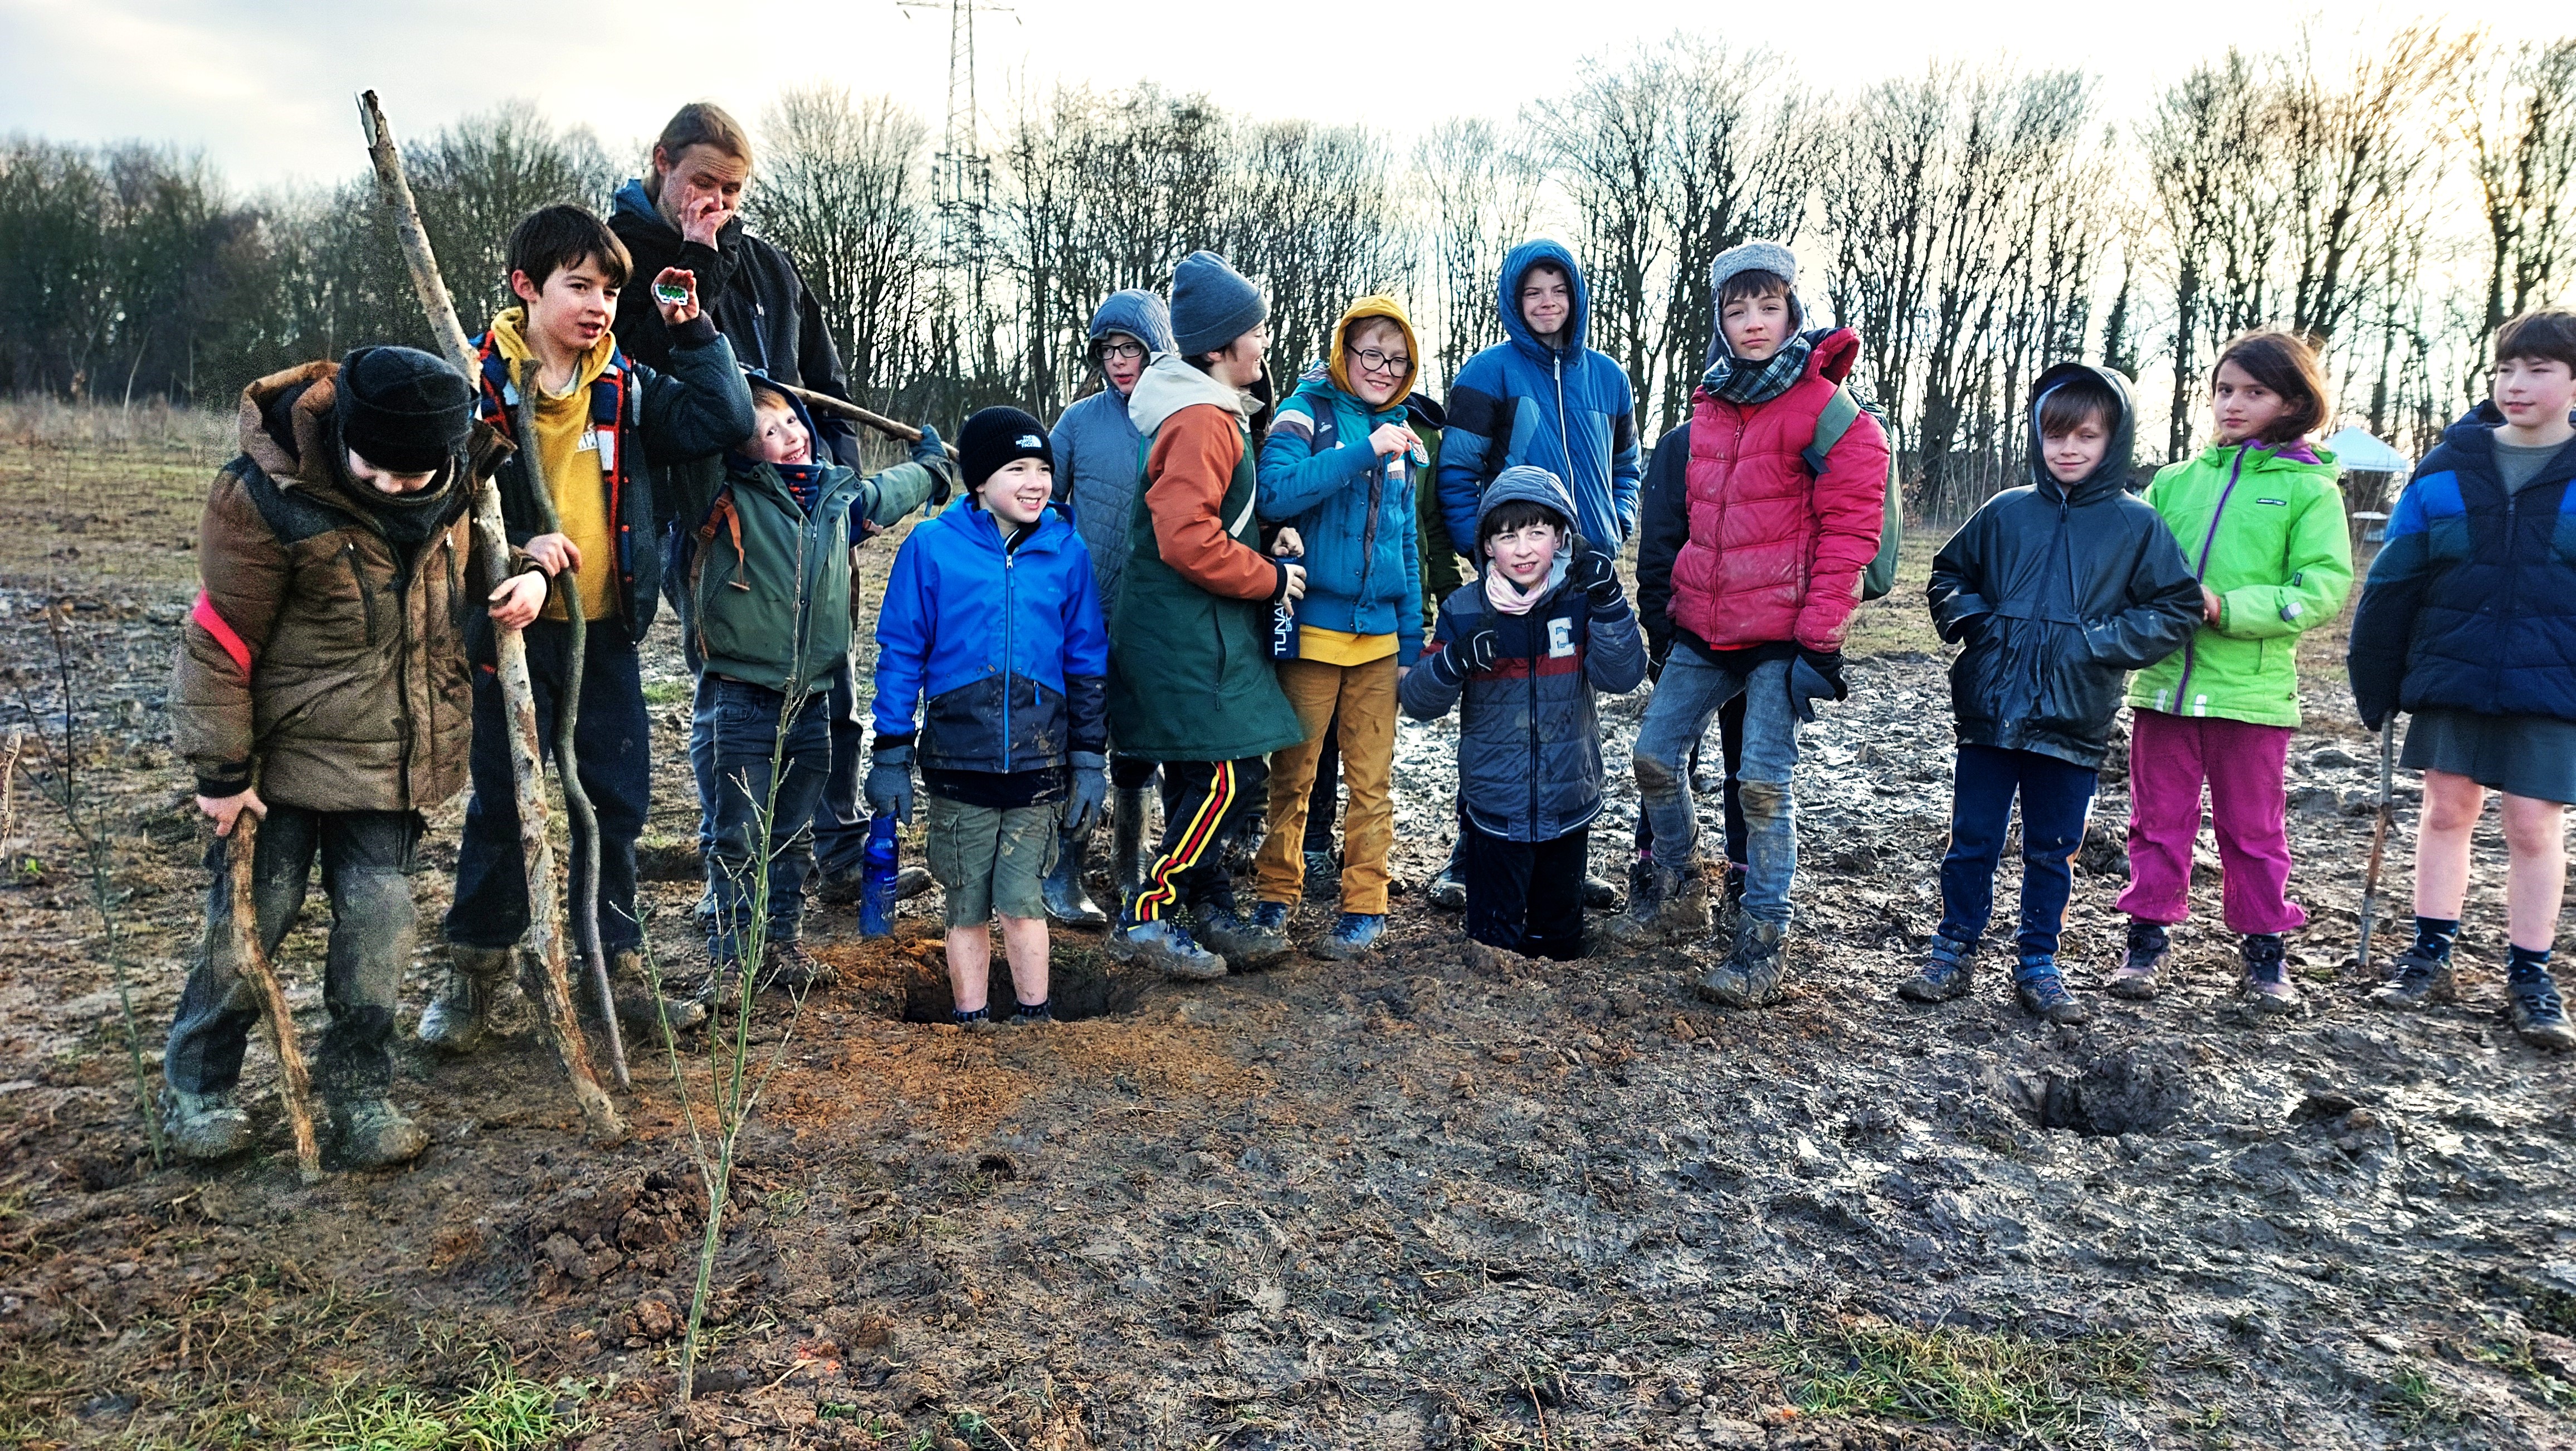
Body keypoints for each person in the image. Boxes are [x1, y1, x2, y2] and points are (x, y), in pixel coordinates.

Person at [165, 347, 547, 1165]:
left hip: (387, 763)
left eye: (419, 475)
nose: (400, 487)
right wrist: (222, 777)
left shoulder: (466, 488)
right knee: (249, 927)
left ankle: (361, 1096)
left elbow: (475, 600)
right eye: (380, 469)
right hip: (273, 770)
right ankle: (199, 1087)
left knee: (380, 934)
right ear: (343, 437)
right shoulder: (267, 498)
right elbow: (219, 641)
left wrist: (527, 581)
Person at [425, 204, 753, 1050]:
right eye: (579, 286)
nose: (599, 304)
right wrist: (504, 561)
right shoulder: (474, 386)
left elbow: (724, 421)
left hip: (601, 632)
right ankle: (473, 975)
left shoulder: (627, 385)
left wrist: (694, 330)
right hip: (509, 630)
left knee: (614, 801)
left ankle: (616, 966)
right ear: (525, 288)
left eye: (610, 288)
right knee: (505, 802)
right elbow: (434, 509)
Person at [604, 102, 892, 899]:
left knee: (830, 683)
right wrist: (697, 255)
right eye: (703, 182)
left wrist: (837, 481)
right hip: (710, 519)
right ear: (661, 162)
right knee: (739, 703)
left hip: (805, 514)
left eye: (733, 190)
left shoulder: (768, 266)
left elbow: (825, 387)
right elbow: (656, 372)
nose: (719, 203)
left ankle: (834, 851)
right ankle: (738, 878)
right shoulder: (618, 263)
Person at [1614, 241, 1889, 1007]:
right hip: (1707, 625)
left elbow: (1850, 535)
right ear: (1720, 322)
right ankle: (1681, 883)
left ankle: (1762, 940)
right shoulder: (1710, 403)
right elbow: (1696, 522)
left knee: (1763, 785)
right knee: (1654, 758)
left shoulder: (1831, 413)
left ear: (1793, 311)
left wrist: (1821, 639)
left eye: (1768, 307)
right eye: (1738, 310)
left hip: (1782, 635)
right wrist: (1672, 610)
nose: (1753, 323)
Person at [1904, 366, 2202, 1022]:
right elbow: (1950, 574)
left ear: (2112, 440)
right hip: (1988, 712)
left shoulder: (2136, 526)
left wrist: (2096, 645)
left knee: (2052, 848)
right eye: (2054, 435)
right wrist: (1977, 626)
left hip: (2073, 716)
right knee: (1972, 837)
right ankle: (1952, 947)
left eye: (2086, 436)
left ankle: (2038, 960)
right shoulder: (2006, 511)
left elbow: (2176, 607)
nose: (2068, 450)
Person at [675, 382, 953, 1007]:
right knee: (739, 830)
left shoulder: (835, 496)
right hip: (745, 694)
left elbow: (890, 490)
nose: (791, 436)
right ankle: (733, 956)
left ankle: (781, 942)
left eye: (792, 424)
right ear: (744, 454)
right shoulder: (722, 497)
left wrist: (934, 469)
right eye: (769, 434)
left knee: (793, 829)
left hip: (815, 696)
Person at [2350, 307, 2576, 1049]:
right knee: (2446, 810)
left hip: (2554, 684)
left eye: (2539, 370)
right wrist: (2375, 676)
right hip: (2452, 672)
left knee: (2533, 823)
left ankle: (2531, 975)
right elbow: (2394, 581)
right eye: (2507, 368)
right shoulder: (2446, 468)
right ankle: (2430, 954)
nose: (2517, 384)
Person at [2116, 330, 2351, 1011]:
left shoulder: (2310, 490)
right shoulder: (2174, 482)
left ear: (2293, 401)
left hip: (2251, 694)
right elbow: (2133, 565)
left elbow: (2320, 587)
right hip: (2163, 686)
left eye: (2254, 391)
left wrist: (2228, 607)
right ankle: (2145, 942)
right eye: (2224, 390)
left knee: (2252, 829)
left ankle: (2265, 951)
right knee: (2157, 820)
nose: (2233, 403)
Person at [1105, 250, 1308, 981]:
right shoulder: (1200, 422)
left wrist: (1266, 535)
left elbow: (1212, 515)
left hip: (1198, 632)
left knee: (1203, 776)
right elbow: (1187, 538)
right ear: (1221, 349)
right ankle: (1150, 914)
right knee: (1229, 778)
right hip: (1186, 635)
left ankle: (1211, 905)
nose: (1264, 343)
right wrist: (1271, 577)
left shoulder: (1211, 414)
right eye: (1255, 333)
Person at [869, 408, 1108, 1025]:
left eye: (1043, 470)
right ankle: (970, 1019)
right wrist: (891, 752)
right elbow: (900, 654)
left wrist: (1087, 757)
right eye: (1016, 469)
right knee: (966, 902)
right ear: (978, 480)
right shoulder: (931, 548)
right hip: (957, 764)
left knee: (1023, 901)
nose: (1035, 483)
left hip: (1038, 766)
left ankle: (1035, 1016)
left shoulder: (1066, 550)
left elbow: (1085, 659)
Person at [1428, 240, 1641, 911]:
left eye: (1558, 290)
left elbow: (1626, 468)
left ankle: (1562, 859)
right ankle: (1469, 857)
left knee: (1568, 712)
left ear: (1575, 297)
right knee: (1501, 710)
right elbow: (1457, 473)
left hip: (1582, 567)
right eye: (1533, 293)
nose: (1547, 303)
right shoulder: (1487, 373)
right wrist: (1482, 551)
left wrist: (1617, 526)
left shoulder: (1608, 377)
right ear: (1513, 302)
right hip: (1511, 564)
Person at [1399, 467, 1645, 958]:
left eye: (1537, 533)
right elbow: (1420, 703)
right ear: (1488, 546)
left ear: (1561, 537)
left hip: (1569, 797)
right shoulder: (1464, 609)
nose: (1525, 549)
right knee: (1494, 945)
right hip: (1495, 806)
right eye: (1508, 536)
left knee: (1559, 945)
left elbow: (1622, 677)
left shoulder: (1580, 600)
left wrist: (1612, 603)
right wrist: (1452, 661)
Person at [1247, 296, 1427, 959]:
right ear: (1344, 351)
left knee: (1373, 782)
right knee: (1293, 776)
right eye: (1371, 354)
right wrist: (1363, 452)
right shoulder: (1306, 410)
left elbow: (1407, 545)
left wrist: (1410, 641)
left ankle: (1364, 907)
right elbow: (1275, 495)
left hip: (1379, 641)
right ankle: (1275, 900)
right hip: (1311, 632)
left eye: (1397, 359)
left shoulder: (1403, 433)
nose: (1383, 368)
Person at [1045, 289, 1177, 926]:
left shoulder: (1179, 420)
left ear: (1158, 352)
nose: (1120, 362)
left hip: (1154, 611)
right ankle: (1063, 871)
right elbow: (1043, 510)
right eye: (1109, 350)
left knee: (1139, 745)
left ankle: (1131, 865)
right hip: (1085, 610)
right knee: (1081, 737)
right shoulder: (1076, 424)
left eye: (1132, 348)